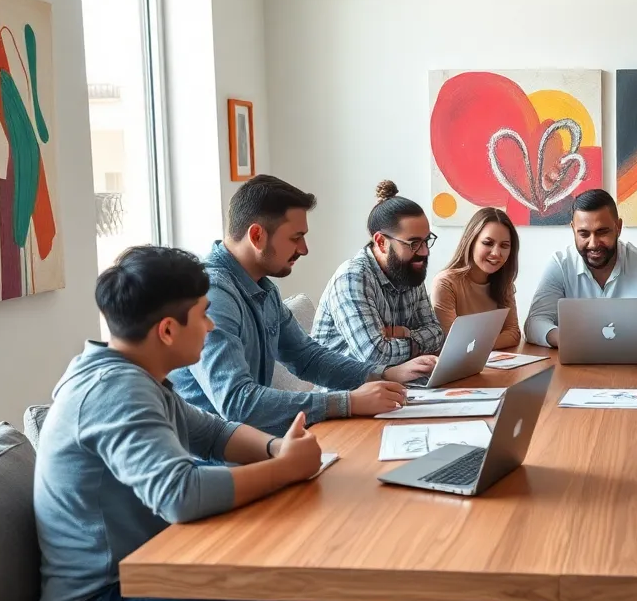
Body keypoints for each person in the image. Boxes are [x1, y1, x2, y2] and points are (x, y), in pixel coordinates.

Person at [35, 246, 353, 601]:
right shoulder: (115, 389)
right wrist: (283, 468)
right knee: (313, 599)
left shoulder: (132, 372)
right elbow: (180, 496)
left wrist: (279, 447)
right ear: (168, 330)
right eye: (204, 316)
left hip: (150, 573)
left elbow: (211, 433)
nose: (210, 326)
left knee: (307, 554)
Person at [172, 175, 436, 436]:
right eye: (296, 237)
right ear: (257, 235)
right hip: (220, 463)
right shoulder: (211, 295)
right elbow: (237, 401)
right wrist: (349, 402)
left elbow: (309, 358)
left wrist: (385, 375)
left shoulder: (262, 287)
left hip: (261, 445)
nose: (305, 248)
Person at [313, 181, 446, 367]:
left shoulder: (409, 271)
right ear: (382, 242)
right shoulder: (352, 278)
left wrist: (404, 333)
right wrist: (418, 342)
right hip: (349, 391)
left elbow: (437, 334)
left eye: (426, 240)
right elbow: (375, 355)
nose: (424, 252)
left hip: (398, 383)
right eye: (413, 243)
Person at [524, 188, 637, 347]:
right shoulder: (560, 264)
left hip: (632, 365)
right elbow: (534, 323)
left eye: (602, 232)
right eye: (584, 234)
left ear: (618, 227)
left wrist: (603, 343)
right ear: (573, 230)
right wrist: (565, 339)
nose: (593, 244)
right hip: (575, 361)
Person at [431, 206, 523, 349]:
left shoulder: (504, 283)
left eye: (504, 246)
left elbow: (513, 334)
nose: (496, 253)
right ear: (471, 241)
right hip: (456, 368)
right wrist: (488, 344)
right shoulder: (445, 284)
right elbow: (454, 342)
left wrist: (476, 346)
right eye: (488, 243)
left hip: (491, 365)